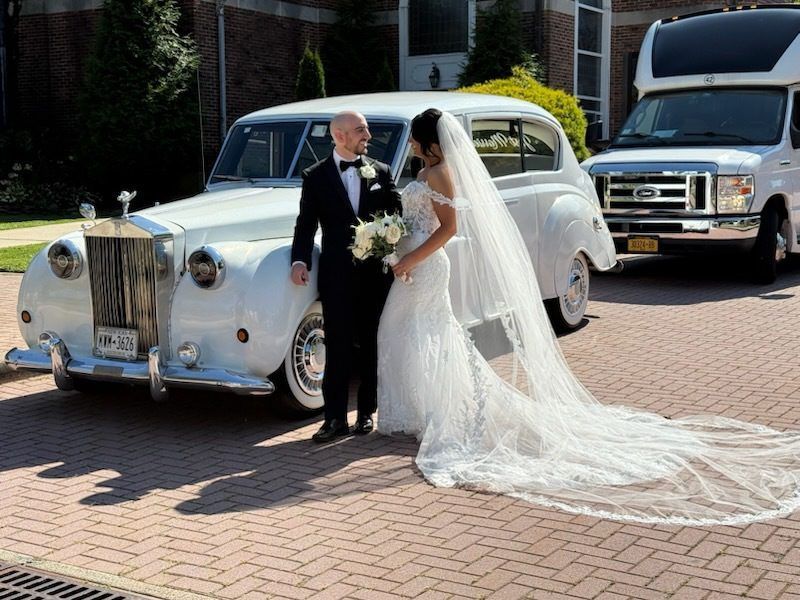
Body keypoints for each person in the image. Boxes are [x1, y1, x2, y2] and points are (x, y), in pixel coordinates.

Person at [376, 108, 800, 526]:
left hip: (426, 265)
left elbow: (447, 228)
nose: (410, 142)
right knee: (415, 332)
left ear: (428, 141)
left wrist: (410, 256)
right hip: (415, 263)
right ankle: (420, 407)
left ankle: (437, 411)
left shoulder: (438, 174)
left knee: (425, 331)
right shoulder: (428, 172)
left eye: (413, 136)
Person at [291, 111, 401, 443]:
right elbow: (306, 222)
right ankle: (334, 419)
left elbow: (397, 215)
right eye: (360, 131)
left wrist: (382, 237)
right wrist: (299, 260)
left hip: (374, 276)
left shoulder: (381, 171)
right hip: (336, 275)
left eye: (366, 129)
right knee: (336, 346)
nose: (367, 135)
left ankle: (366, 412)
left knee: (370, 343)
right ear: (339, 136)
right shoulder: (315, 176)